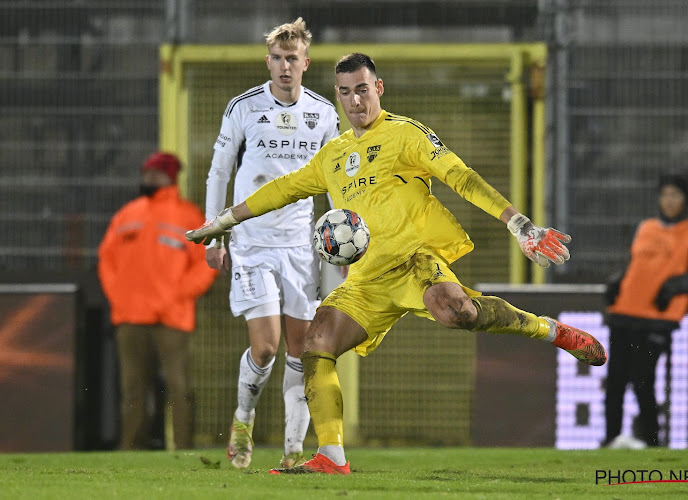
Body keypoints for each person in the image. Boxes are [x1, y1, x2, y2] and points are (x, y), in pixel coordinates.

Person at [186, 53, 607, 474]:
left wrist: (518, 223)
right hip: (368, 278)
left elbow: (460, 176)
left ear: (379, 88)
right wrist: (221, 221)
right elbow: (281, 190)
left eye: (363, 90)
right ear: (338, 96)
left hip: (416, 260)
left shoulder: (406, 134)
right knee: (316, 343)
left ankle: (552, 330)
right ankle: (331, 458)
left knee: (460, 312)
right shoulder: (332, 156)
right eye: (346, 93)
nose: (355, 101)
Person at [203, 18, 340, 469]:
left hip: (301, 245)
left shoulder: (323, 113)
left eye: (292, 59)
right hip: (252, 242)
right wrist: (214, 230)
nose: (285, 67)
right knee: (266, 347)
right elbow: (220, 171)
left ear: (305, 62)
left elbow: (337, 180)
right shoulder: (243, 107)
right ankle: (244, 418)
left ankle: (292, 450)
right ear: (269, 62)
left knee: (301, 350)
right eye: (278, 59)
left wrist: (342, 239)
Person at [98, 152, 218, 450]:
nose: (147, 180)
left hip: (172, 318)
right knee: (132, 390)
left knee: (179, 387)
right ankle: (130, 450)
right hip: (130, 318)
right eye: (146, 174)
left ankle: (183, 448)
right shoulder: (126, 215)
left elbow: (204, 263)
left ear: (169, 177)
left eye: (154, 175)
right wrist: (120, 298)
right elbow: (106, 259)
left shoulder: (189, 216)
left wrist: (175, 296)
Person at [603, 172, 688, 448]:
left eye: (675, 194)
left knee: (643, 380)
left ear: (686, 199)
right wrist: (617, 281)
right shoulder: (645, 227)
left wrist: (672, 287)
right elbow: (635, 265)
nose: (668, 200)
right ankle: (610, 440)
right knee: (615, 382)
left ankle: (651, 440)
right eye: (665, 194)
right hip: (625, 312)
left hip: (657, 319)